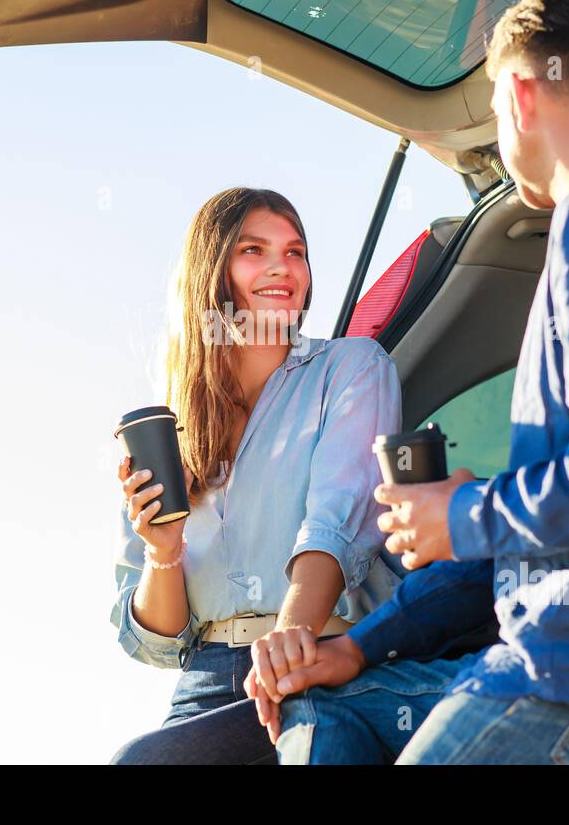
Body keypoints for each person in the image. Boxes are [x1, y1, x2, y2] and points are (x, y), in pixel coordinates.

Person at [248, 0, 569, 764]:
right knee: (332, 706)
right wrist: (371, 634)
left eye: (489, 98)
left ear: (520, 94)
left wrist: (467, 514)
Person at [108, 187, 405, 763]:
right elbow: (159, 640)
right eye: (254, 249)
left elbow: (336, 521)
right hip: (207, 678)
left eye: (296, 252)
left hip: (324, 652)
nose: (282, 267)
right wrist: (162, 550)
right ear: (212, 272)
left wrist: (291, 635)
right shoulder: (169, 433)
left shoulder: (350, 368)